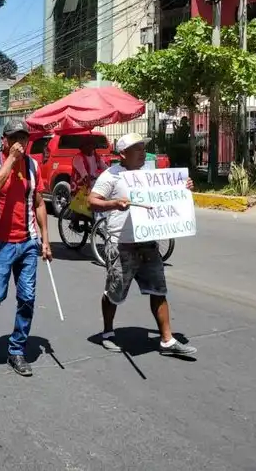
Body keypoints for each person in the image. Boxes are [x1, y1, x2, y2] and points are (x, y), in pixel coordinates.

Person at [88, 133, 197, 357]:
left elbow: (166, 195)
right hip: (122, 244)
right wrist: (114, 204)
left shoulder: (148, 175)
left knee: (158, 290)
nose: (141, 152)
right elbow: (93, 201)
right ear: (122, 154)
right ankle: (108, 332)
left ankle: (167, 340)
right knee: (115, 292)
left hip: (147, 243)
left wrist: (183, 188)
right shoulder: (111, 176)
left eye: (142, 148)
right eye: (136, 149)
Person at [0, 119, 53, 376]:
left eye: (24, 138)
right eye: (15, 138)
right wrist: (10, 160)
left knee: (28, 297)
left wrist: (45, 239)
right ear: (5, 140)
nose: (21, 143)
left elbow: (39, 203)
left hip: (28, 241)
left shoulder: (33, 165)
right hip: (1, 243)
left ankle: (16, 350)